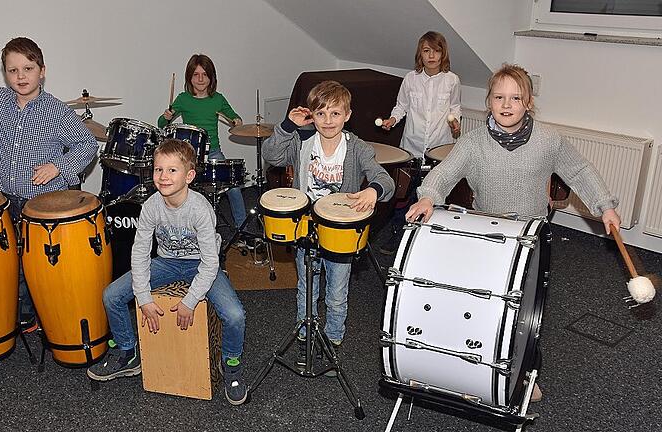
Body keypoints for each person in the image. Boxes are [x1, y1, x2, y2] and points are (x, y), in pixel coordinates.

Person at [405, 64, 621, 402]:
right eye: (499, 97)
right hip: (487, 239)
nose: (507, 105)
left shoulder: (549, 140)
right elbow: (444, 174)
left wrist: (604, 205)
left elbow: (580, 171)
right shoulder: (473, 142)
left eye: (516, 98)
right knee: (478, 307)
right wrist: (429, 196)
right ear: (488, 101)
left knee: (526, 316)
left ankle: (525, 375)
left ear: (528, 102)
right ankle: (469, 368)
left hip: (530, 240)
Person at [0, 37, 98, 333]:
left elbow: (88, 144)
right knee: (10, 262)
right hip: (6, 198)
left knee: (41, 265)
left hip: (42, 204)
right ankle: (24, 316)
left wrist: (60, 166)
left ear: (42, 70)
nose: (20, 76)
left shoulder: (56, 112)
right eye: (12, 70)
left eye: (28, 68)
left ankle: (50, 315)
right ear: (4, 73)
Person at [87, 139, 248, 405]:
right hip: (167, 262)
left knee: (234, 314)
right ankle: (128, 352)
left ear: (190, 176)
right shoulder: (151, 205)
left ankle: (231, 363)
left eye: (172, 170)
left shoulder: (200, 209)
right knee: (111, 295)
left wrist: (189, 301)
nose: (163, 176)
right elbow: (139, 252)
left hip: (201, 263)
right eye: (158, 169)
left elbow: (210, 262)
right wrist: (144, 298)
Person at [262, 81, 394, 367]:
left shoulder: (356, 147)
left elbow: (385, 180)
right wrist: (288, 125)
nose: (328, 120)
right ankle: (305, 335)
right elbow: (271, 156)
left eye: (335, 114)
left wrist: (373, 190)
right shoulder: (301, 141)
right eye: (321, 114)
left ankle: (332, 338)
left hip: (340, 233)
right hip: (305, 227)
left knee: (336, 293)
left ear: (347, 115)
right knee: (306, 288)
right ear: (312, 115)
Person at [378, 31, 461, 254]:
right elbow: (401, 106)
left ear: (443, 53)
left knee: (435, 194)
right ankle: (399, 234)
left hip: (437, 147)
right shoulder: (410, 79)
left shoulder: (452, 80)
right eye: (426, 51)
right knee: (404, 194)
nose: (431, 55)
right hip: (411, 147)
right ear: (420, 54)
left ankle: (430, 239)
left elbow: (455, 109)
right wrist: (392, 120)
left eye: (436, 50)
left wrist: (456, 124)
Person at [158, 54, 252, 247]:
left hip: (214, 152)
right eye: (195, 75)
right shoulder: (183, 99)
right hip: (188, 156)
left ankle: (243, 231)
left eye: (204, 75)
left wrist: (236, 121)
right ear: (189, 78)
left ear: (211, 77)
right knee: (181, 189)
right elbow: (161, 124)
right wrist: (166, 116)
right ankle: (182, 231)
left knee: (234, 187)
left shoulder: (218, 100)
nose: (200, 79)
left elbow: (236, 118)